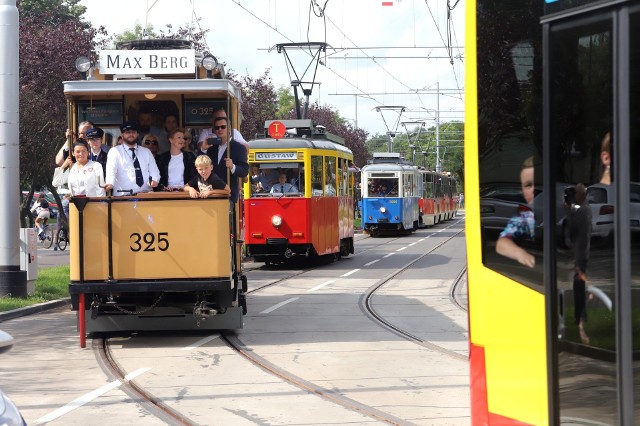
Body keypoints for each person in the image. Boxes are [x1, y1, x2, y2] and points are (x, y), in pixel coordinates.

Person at [495, 156, 536, 268]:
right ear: (522, 191)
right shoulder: (526, 216)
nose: (534, 189)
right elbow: (502, 243)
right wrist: (520, 254)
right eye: (528, 185)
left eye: (539, 183)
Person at [104, 121, 160, 195]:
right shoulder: (115, 151)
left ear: (137, 134)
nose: (131, 134)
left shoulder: (146, 152)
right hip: (124, 197)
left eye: (133, 132)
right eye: (128, 132)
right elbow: (111, 171)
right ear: (122, 135)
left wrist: (154, 180)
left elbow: (154, 171)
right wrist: (110, 183)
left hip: (146, 195)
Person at [204, 116, 249, 202]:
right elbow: (200, 166)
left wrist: (232, 166)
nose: (220, 130)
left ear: (229, 128)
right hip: (211, 195)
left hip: (228, 195)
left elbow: (244, 171)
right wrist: (203, 149)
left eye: (223, 127)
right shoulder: (211, 148)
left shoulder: (239, 148)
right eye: (217, 128)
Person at [569, 183, 592, 345]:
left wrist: (568, 211)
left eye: (576, 192)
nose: (575, 195)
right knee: (578, 287)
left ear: (581, 195)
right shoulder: (584, 208)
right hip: (581, 254)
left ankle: (581, 318)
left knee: (579, 288)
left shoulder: (583, 210)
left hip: (581, 255)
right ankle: (579, 317)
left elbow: (574, 229)